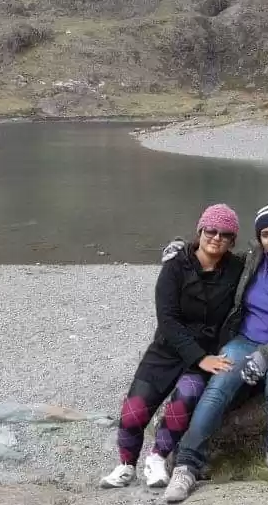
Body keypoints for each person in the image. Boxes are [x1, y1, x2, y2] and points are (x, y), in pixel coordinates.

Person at [160, 201, 268, 503]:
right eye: (265, 234)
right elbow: (213, 254)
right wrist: (181, 251)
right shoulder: (253, 258)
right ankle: (187, 463)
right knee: (220, 385)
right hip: (245, 340)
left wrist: (266, 357)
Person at [100, 203, 245, 489]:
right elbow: (167, 319)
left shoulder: (237, 269)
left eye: (225, 234)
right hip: (169, 347)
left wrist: (207, 357)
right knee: (135, 410)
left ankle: (157, 459)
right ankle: (125, 466)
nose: (216, 238)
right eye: (211, 231)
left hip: (208, 350)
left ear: (232, 240)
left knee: (184, 400)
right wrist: (199, 357)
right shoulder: (176, 266)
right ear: (200, 231)